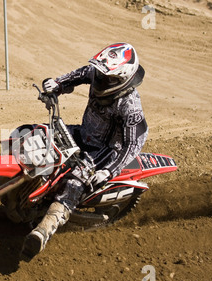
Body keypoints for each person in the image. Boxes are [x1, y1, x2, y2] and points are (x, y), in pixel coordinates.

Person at [21, 43, 149, 260]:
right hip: (84, 133)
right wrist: (57, 84)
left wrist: (108, 172)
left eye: (106, 78)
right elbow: (79, 74)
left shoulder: (130, 106)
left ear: (121, 79)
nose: (100, 79)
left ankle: (43, 230)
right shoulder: (99, 73)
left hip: (105, 151)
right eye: (100, 74)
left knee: (74, 181)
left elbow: (132, 146)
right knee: (34, 134)